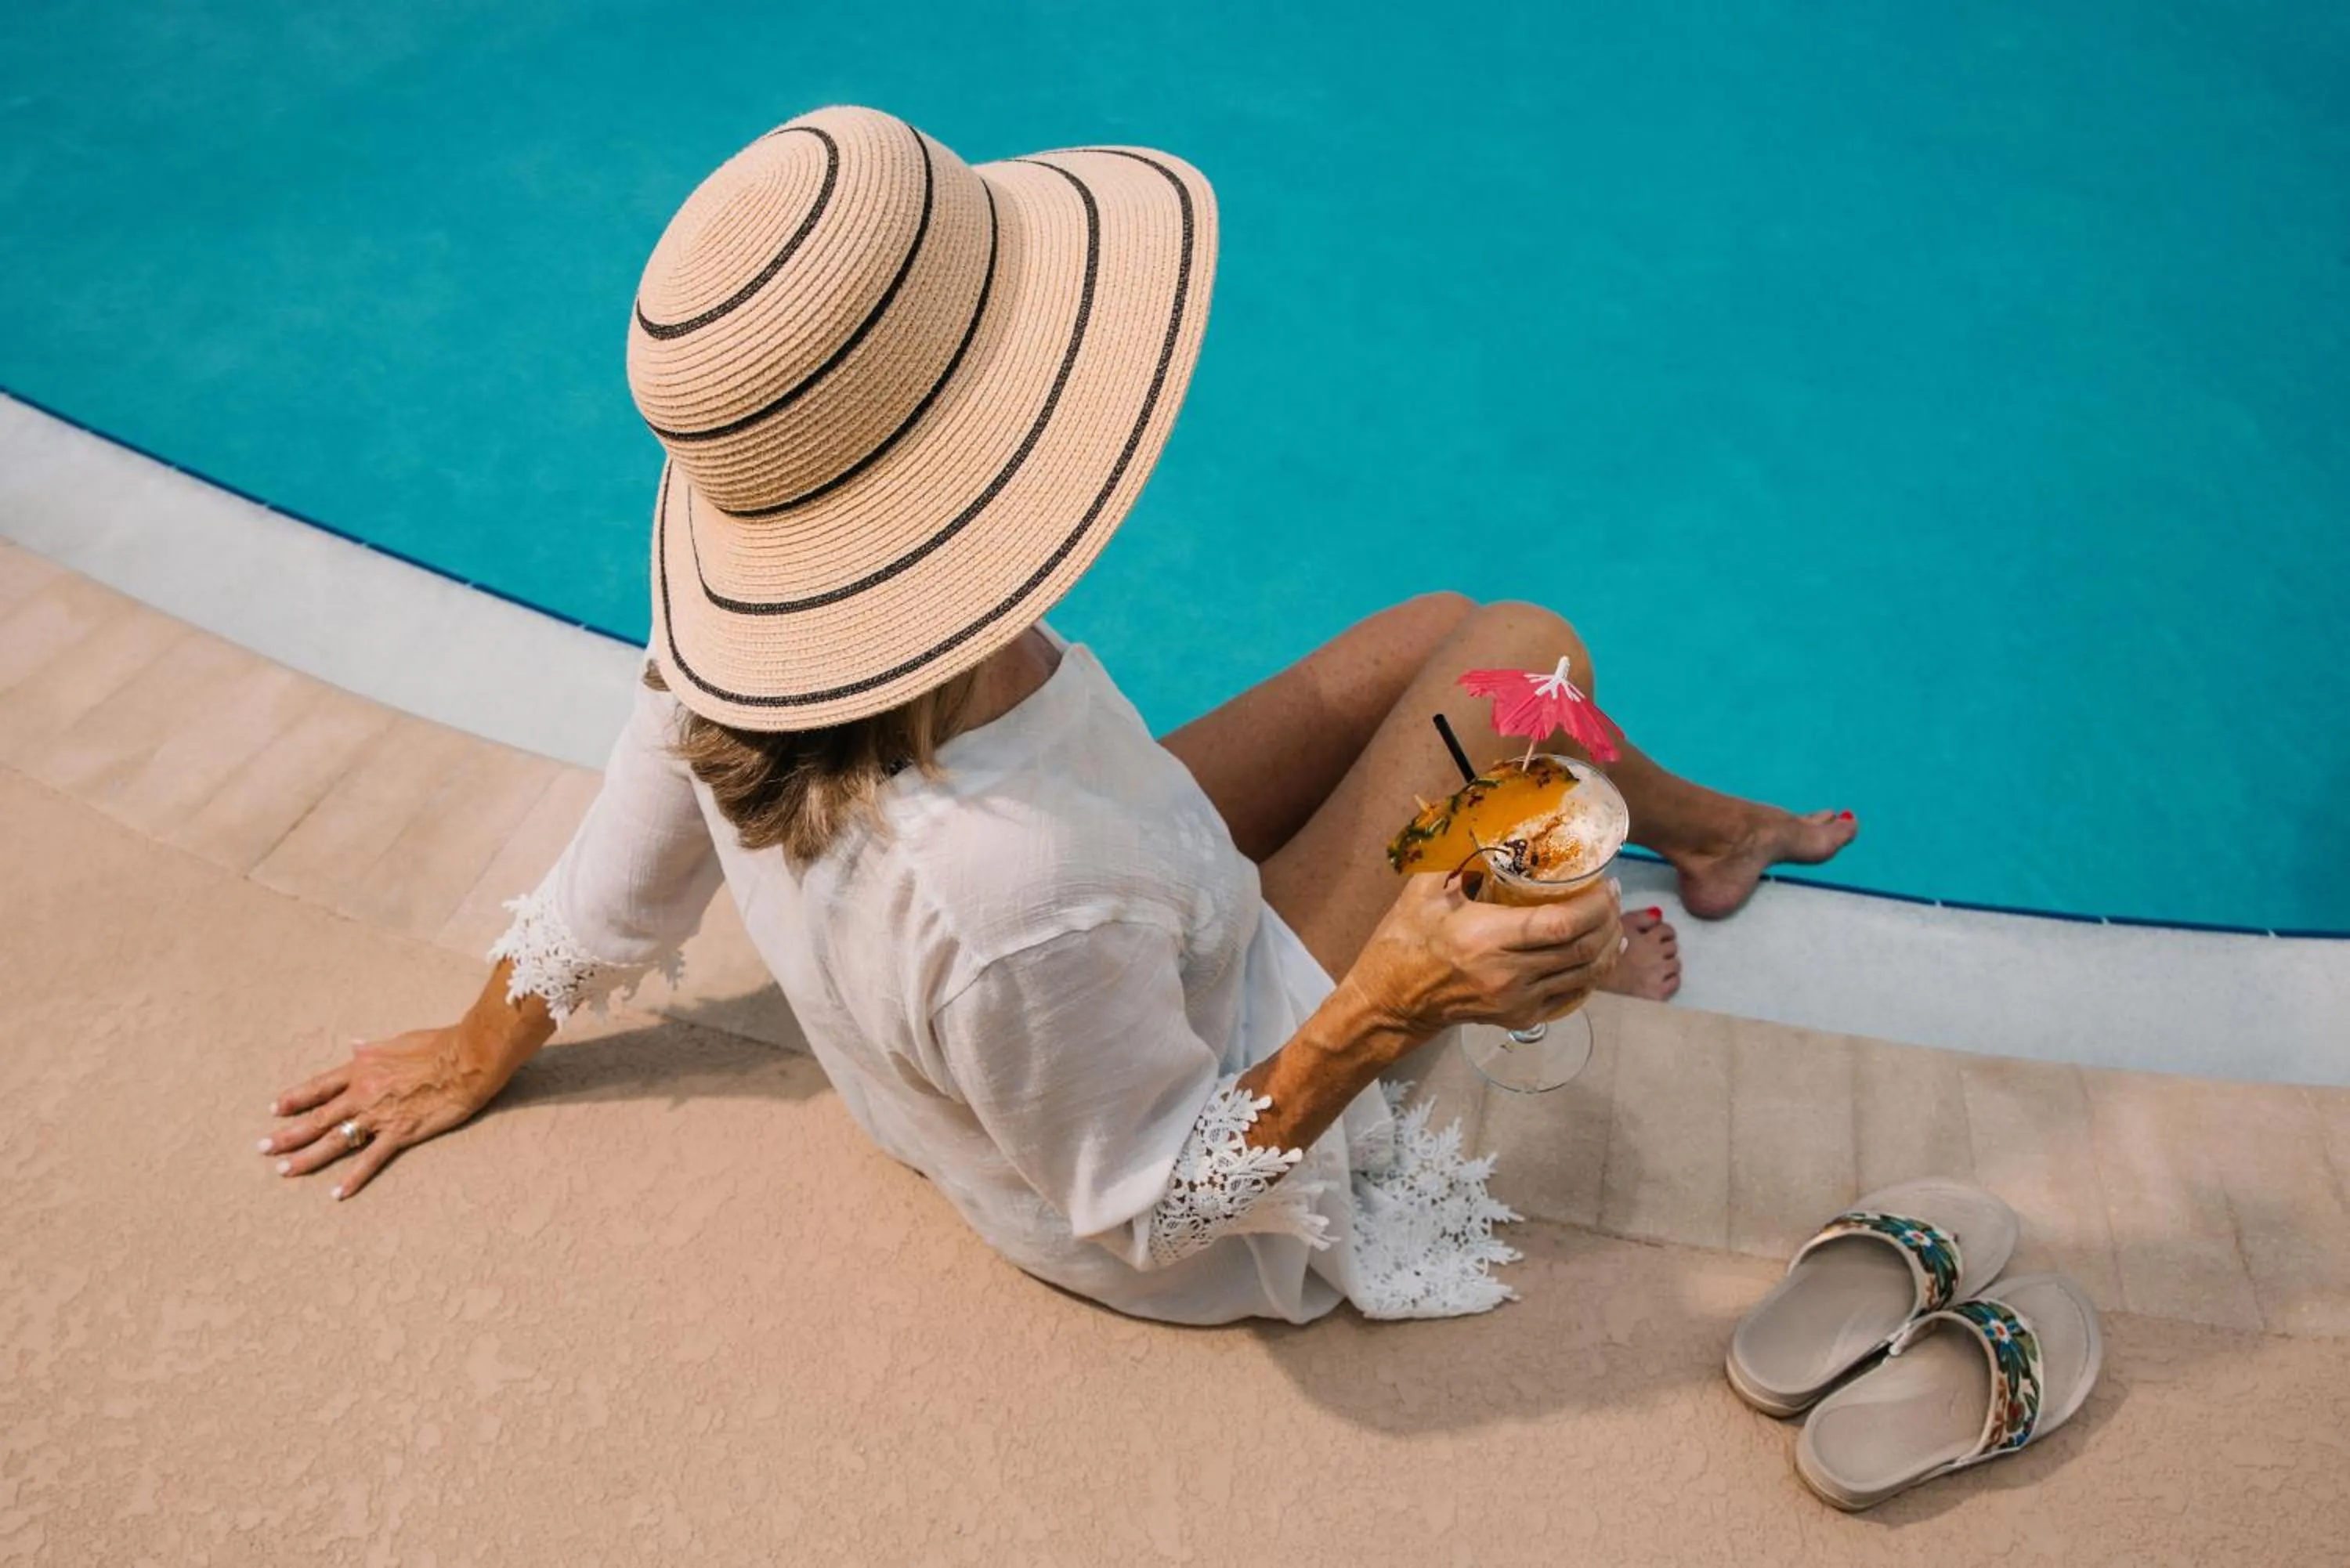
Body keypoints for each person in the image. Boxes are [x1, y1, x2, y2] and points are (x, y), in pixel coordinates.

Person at [260, 107, 1856, 1324]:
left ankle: (1698, 828)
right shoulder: (1009, 885)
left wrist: (486, 1040)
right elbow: (1155, 1201)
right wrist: (1397, 996)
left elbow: (621, 872)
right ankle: (1692, 838)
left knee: (1437, 637)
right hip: (1202, 1077)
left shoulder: (750, 677)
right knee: (1529, 646)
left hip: (1118, 905)